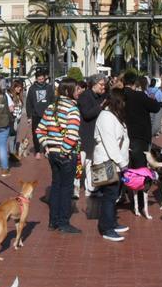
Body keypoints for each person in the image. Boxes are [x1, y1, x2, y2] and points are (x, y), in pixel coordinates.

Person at [36, 78, 82, 234]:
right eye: (76, 89)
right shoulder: (73, 110)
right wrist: (65, 151)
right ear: (69, 91)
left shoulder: (51, 107)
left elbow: (40, 130)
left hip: (53, 153)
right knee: (66, 188)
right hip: (66, 154)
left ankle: (53, 221)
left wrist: (47, 147)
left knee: (56, 186)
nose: (79, 91)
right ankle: (63, 222)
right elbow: (72, 135)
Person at [93, 88, 130, 242]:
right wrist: (122, 164)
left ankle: (111, 222)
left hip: (113, 163)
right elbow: (110, 144)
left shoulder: (113, 115)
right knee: (108, 195)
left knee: (113, 195)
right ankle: (106, 228)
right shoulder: (106, 117)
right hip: (105, 162)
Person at [122, 71, 162, 168]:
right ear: (135, 83)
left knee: (124, 166)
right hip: (139, 136)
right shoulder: (139, 95)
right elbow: (156, 107)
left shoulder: (118, 95)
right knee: (139, 166)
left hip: (122, 134)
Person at [77, 74, 107, 197]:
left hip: (97, 134)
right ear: (94, 84)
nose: (103, 87)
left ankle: (93, 187)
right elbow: (87, 114)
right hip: (86, 134)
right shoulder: (85, 96)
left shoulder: (101, 96)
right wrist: (100, 107)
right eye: (101, 84)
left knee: (96, 161)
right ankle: (75, 187)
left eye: (104, 84)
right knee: (81, 162)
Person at [26, 69, 55, 160]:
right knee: (36, 133)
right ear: (36, 79)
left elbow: (53, 100)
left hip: (48, 114)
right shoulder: (32, 88)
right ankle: (37, 151)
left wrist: (53, 111)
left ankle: (47, 150)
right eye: (39, 79)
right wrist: (29, 116)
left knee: (49, 133)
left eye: (42, 79)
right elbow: (28, 103)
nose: (41, 81)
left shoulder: (49, 87)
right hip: (36, 114)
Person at [6, 79, 24, 162]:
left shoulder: (18, 96)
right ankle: (12, 154)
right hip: (13, 118)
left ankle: (12, 153)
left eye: (20, 87)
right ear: (14, 87)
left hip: (18, 118)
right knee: (12, 137)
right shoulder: (10, 95)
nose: (19, 89)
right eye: (18, 87)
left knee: (15, 136)